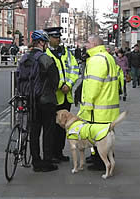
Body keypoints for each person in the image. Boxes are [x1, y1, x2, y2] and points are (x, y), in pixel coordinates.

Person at [78, 35, 121, 171]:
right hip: (107, 105)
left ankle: (100, 162)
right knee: (103, 136)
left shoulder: (97, 60)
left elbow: (93, 86)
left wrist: (87, 105)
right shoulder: (106, 56)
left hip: (99, 108)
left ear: (95, 44)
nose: (86, 45)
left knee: (99, 136)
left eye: (88, 43)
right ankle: (96, 156)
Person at [18, 30, 59, 172]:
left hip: (30, 100)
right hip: (46, 100)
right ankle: (47, 162)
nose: (47, 45)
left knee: (34, 132)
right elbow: (55, 81)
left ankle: (36, 162)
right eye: (46, 42)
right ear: (41, 43)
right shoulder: (46, 59)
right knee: (48, 132)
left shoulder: (24, 58)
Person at [44, 27, 79, 163]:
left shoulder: (66, 53)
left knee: (63, 128)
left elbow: (75, 69)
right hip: (54, 97)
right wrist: (60, 85)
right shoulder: (46, 54)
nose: (57, 39)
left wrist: (69, 84)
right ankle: (51, 154)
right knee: (51, 128)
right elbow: (47, 75)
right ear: (49, 39)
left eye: (59, 37)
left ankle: (59, 152)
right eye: (54, 37)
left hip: (66, 97)